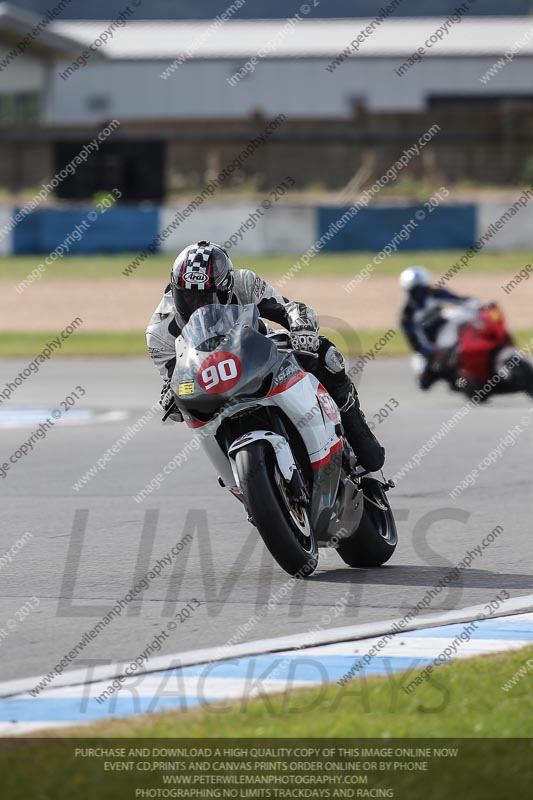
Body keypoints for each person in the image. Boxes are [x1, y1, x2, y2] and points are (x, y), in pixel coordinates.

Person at [147, 240, 385, 471]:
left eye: (206, 297)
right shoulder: (159, 331)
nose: (197, 306)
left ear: (226, 288)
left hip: (257, 355)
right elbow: (177, 380)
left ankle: (356, 427)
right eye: (188, 297)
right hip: (212, 381)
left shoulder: (244, 282)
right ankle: (239, 480)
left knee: (325, 353)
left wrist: (302, 326)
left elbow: (289, 308)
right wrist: (172, 394)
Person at [399, 266, 472, 390]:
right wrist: (428, 351)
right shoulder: (407, 313)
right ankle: (449, 376)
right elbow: (413, 340)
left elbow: (460, 300)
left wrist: (472, 303)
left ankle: (462, 377)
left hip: (444, 334)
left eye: (421, 288)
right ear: (408, 290)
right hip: (426, 345)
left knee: (459, 317)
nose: (419, 293)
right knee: (424, 382)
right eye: (414, 290)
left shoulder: (436, 294)